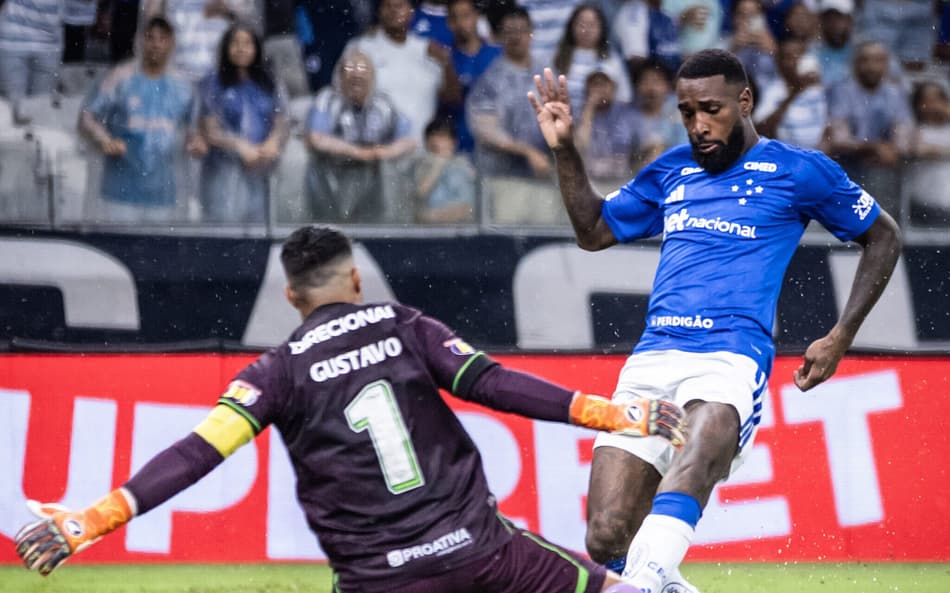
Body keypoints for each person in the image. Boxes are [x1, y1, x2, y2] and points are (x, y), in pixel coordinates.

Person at [13, 224, 688, 593]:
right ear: (356, 279)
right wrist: (613, 415)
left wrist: (91, 519)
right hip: (481, 555)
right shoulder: (403, 325)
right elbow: (493, 382)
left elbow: (196, 452)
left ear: (289, 295)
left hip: (379, 581)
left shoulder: (271, 374)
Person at [527, 48, 902, 593]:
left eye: (711, 109)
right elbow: (593, 231)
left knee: (703, 443)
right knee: (607, 538)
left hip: (731, 356)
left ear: (744, 101)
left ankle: (650, 578)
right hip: (653, 357)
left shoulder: (799, 170)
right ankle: (666, 581)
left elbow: (883, 235)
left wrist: (842, 334)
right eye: (686, 112)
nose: (698, 125)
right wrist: (564, 149)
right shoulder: (672, 170)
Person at [79, 16, 205, 223]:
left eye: (162, 38)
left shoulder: (183, 88)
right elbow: (88, 117)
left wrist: (195, 143)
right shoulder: (120, 77)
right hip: (120, 191)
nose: (155, 44)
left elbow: (194, 132)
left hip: (163, 194)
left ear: (172, 43)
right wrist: (105, 140)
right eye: (150, 37)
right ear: (140, 41)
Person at [305, 50, 417, 222]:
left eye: (363, 73)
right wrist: (359, 153)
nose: (357, 77)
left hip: (373, 179)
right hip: (332, 176)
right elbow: (316, 138)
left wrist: (383, 153)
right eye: (350, 72)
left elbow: (409, 140)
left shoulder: (383, 103)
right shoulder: (327, 99)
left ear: (372, 78)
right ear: (340, 76)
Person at [198, 24, 288, 223]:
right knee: (223, 228)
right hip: (224, 172)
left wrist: (272, 142)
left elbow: (281, 119)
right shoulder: (213, 82)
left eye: (247, 43)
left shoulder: (269, 82)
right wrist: (240, 146)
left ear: (256, 48)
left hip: (260, 170)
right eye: (235, 43)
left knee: (258, 231)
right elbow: (209, 128)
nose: (241, 49)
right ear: (226, 48)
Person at [412, 117, 478, 223]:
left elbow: (473, 203)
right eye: (431, 136)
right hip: (431, 220)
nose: (435, 141)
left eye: (441, 136)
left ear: (453, 142)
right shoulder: (421, 163)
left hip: (462, 221)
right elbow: (419, 194)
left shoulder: (464, 164)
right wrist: (438, 164)